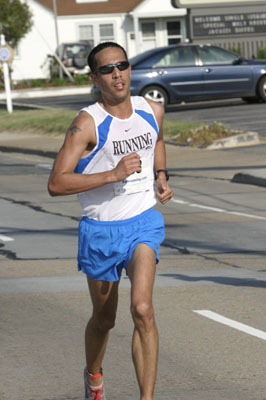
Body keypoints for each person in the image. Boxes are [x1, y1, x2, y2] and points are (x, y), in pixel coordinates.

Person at [48, 41, 173, 400]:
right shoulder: (87, 123)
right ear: (94, 77)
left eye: (122, 65)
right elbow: (56, 182)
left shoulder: (152, 109)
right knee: (105, 320)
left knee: (142, 308)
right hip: (101, 231)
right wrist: (112, 174)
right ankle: (94, 376)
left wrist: (161, 176)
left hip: (143, 222)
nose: (117, 73)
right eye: (107, 69)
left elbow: (157, 141)